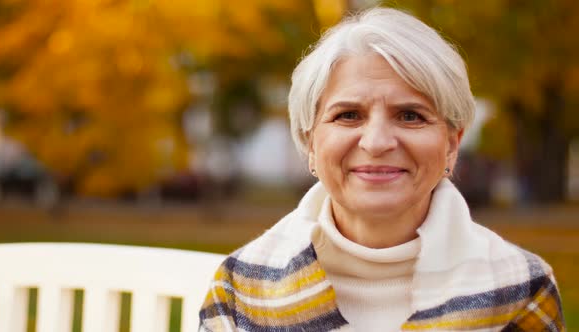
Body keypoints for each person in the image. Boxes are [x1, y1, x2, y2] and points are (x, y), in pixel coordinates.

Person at [199, 7, 565, 331]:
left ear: (452, 144)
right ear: (311, 144)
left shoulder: (521, 290)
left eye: (410, 116)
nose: (376, 142)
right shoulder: (241, 287)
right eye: (348, 115)